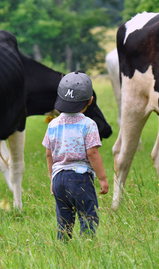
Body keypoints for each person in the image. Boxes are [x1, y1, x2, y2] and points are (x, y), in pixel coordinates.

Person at [42, 71, 109, 240]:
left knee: (63, 221)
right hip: (80, 178)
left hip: (58, 179)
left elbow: (48, 154)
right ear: (90, 100)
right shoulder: (88, 124)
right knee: (88, 217)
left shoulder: (53, 124)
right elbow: (92, 152)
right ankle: (87, 247)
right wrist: (102, 178)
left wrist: (52, 178)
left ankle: (64, 250)